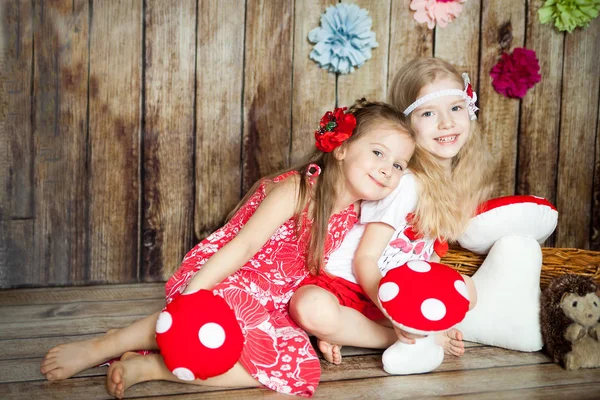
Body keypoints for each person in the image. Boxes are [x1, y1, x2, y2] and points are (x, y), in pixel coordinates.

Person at [40, 99, 416, 398]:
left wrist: (324, 332)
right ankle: (105, 344)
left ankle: (155, 369)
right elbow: (246, 243)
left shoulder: (356, 215)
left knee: (293, 366)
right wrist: (193, 294)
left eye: (399, 165)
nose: (388, 170)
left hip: (273, 301)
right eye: (379, 153)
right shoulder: (301, 188)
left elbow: (333, 278)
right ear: (341, 148)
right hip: (235, 273)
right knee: (209, 316)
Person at [289, 57, 494, 365]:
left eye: (456, 108)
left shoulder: (449, 185)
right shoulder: (406, 182)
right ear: (408, 126)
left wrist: (428, 295)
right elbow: (365, 259)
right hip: (352, 285)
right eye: (428, 113)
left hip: (396, 289)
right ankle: (399, 337)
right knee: (309, 307)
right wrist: (393, 311)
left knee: (467, 290)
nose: (447, 122)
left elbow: (430, 255)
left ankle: (364, 334)